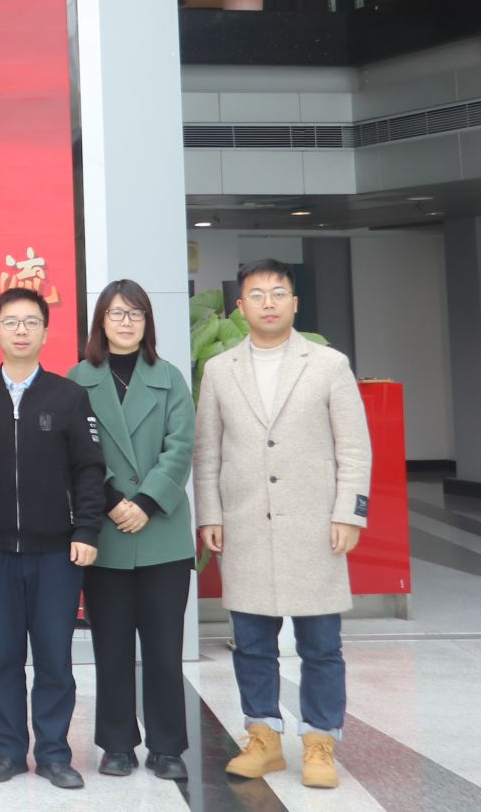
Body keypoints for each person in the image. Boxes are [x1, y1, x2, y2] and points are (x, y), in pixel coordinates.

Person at [195, 259, 371, 791]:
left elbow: (354, 446)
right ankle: (263, 738)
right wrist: (210, 514)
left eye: (278, 293)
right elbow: (208, 452)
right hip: (245, 524)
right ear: (240, 305)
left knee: (321, 644)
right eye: (256, 294)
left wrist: (349, 513)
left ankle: (319, 741)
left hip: (315, 526)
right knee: (251, 642)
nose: (267, 302)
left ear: (295, 303)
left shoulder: (328, 365)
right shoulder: (220, 370)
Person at [0, 287, 105, 790]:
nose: (21, 331)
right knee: (3, 656)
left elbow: (90, 469)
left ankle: (54, 753)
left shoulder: (69, 397)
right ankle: (6, 751)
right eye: (11, 322)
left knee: (53, 657)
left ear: (46, 332)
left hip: (57, 553)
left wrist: (87, 529)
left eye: (31, 322)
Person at [71, 280, 195, 783]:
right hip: (105, 533)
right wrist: (111, 501)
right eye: (116, 313)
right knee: (112, 648)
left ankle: (167, 746)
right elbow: (74, 453)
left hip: (161, 531)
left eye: (135, 314)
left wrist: (145, 501)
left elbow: (181, 446)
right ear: (100, 321)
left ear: (147, 322)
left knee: (164, 649)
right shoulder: (77, 380)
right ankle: (117, 744)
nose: (126, 322)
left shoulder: (169, 378)